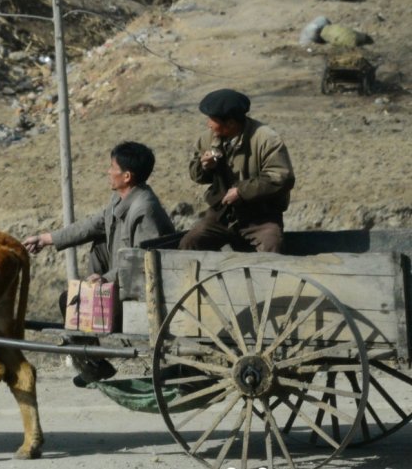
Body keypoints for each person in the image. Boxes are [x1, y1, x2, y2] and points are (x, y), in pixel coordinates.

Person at [22, 141, 174, 385]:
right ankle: (94, 362)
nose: (107, 172)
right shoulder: (119, 201)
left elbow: (144, 263)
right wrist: (46, 239)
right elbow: (91, 225)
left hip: (140, 293)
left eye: (111, 167)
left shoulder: (144, 210)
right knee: (97, 246)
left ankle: (93, 365)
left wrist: (106, 279)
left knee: (70, 301)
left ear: (126, 176)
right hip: (123, 282)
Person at [178, 89, 295, 253]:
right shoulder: (208, 138)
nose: (208, 124)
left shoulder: (266, 139)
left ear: (231, 123)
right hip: (222, 215)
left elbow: (282, 177)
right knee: (190, 243)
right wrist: (205, 166)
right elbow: (196, 175)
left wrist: (241, 191)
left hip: (261, 216)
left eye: (212, 119)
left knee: (272, 245)